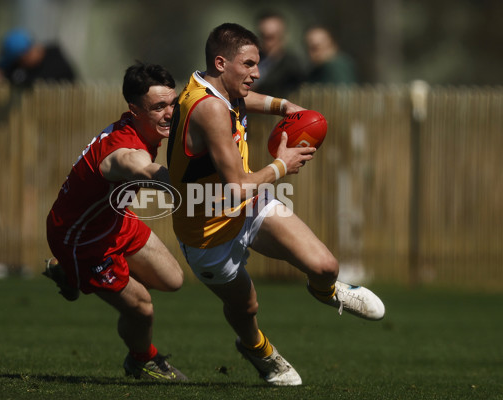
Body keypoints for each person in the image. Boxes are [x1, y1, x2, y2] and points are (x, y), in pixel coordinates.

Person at [166, 23, 384, 386]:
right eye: (249, 64)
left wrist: (283, 106)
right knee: (246, 307)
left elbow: (241, 99)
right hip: (206, 233)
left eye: (258, 64)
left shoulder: (205, 83)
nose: (257, 73)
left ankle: (327, 290)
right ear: (221, 63)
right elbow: (236, 185)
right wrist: (283, 165)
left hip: (247, 203)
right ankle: (258, 350)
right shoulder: (209, 110)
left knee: (326, 265)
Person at [43, 62, 187, 381]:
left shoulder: (142, 128)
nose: (169, 113)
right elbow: (143, 169)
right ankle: (142, 360)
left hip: (114, 221)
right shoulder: (124, 151)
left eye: (172, 104)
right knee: (141, 308)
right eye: (159, 107)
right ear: (134, 109)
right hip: (80, 241)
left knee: (173, 280)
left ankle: (69, 274)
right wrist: (190, 183)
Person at [0, 28, 76, 87]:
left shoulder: (55, 60)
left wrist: (6, 77)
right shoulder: (21, 67)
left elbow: (34, 81)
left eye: (20, 61)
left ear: (27, 54)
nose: (20, 64)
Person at [251, 11, 305, 97]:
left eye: (271, 37)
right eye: (263, 36)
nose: (267, 43)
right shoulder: (253, 58)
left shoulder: (293, 67)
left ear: (283, 36)